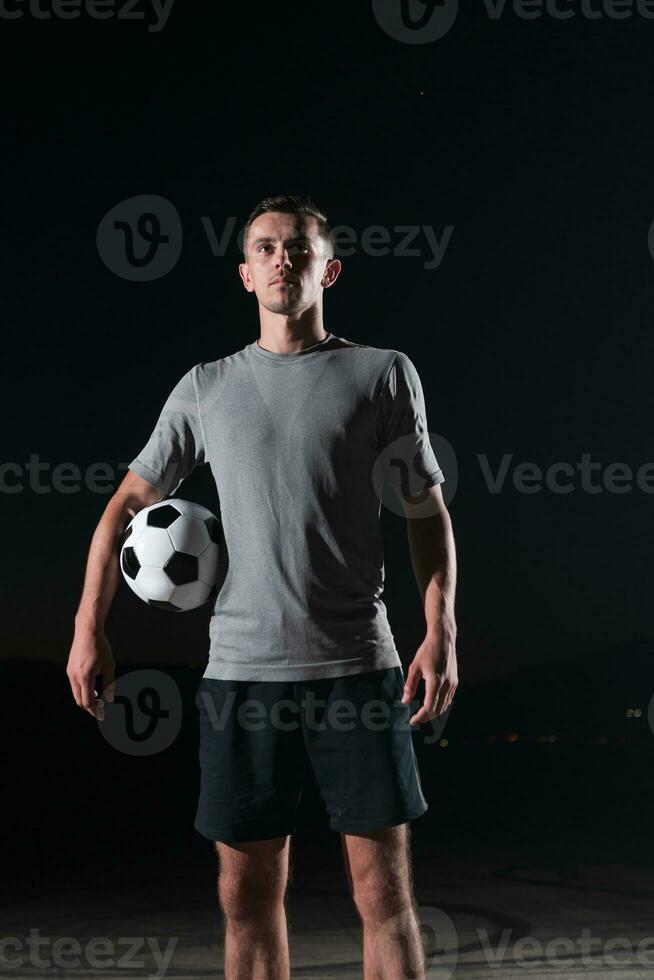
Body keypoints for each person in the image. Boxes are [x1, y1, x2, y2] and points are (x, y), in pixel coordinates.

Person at [66, 193, 458, 979]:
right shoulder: (207, 388)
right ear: (246, 274)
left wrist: (440, 629)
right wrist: (89, 627)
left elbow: (425, 509)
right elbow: (125, 508)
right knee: (246, 900)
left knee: (383, 896)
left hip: (358, 666)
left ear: (329, 268)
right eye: (267, 248)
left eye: (300, 248)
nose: (284, 258)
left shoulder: (382, 374)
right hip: (241, 676)